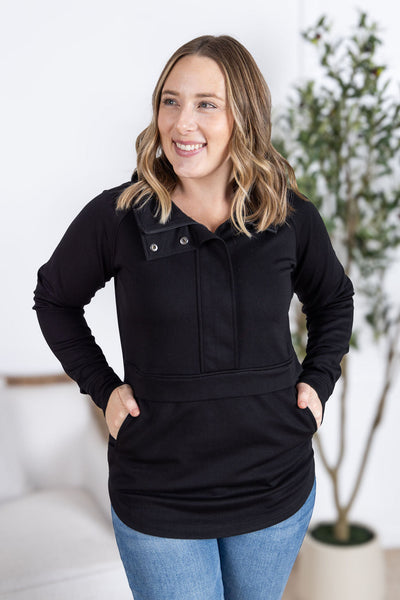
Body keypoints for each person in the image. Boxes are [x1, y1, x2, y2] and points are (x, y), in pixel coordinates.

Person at [33, 34, 354, 600]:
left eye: (207, 104)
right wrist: (104, 390)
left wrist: (319, 382)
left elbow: (333, 300)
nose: (183, 123)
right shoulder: (118, 217)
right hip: (159, 494)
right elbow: (55, 299)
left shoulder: (289, 215)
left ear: (243, 116)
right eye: (171, 101)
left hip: (274, 484)